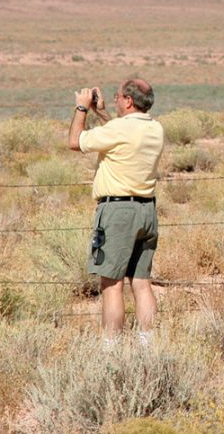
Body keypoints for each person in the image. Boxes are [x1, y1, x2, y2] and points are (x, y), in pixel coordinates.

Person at [68, 78, 164, 344]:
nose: (114, 100)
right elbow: (121, 131)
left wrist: (81, 109)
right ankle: (148, 344)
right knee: (141, 282)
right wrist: (102, 113)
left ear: (128, 101)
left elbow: (75, 142)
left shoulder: (120, 129)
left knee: (112, 284)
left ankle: (111, 349)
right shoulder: (155, 128)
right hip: (146, 210)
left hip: (118, 212)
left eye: (118, 96)